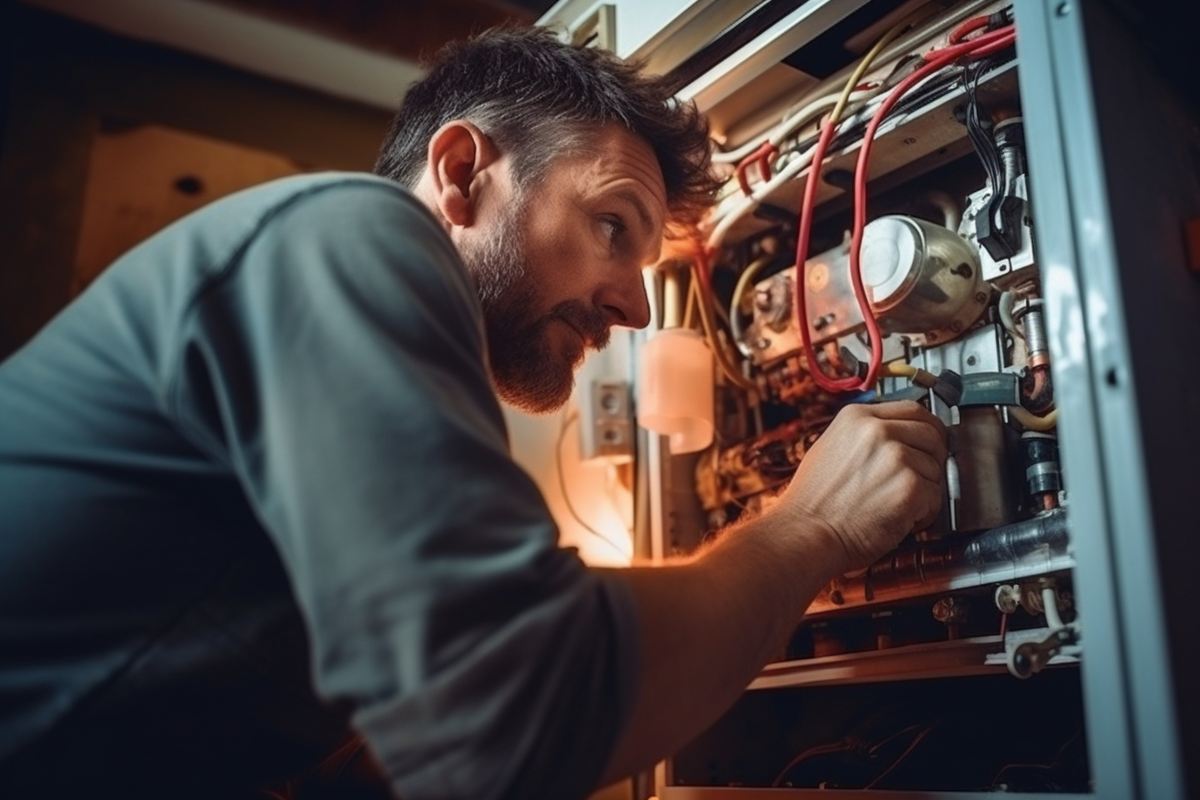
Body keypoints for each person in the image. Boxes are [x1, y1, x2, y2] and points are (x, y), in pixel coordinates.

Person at [0, 26, 946, 800]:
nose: (635, 309)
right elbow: (513, 720)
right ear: (461, 173)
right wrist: (810, 527)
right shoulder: (348, 232)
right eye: (612, 225)